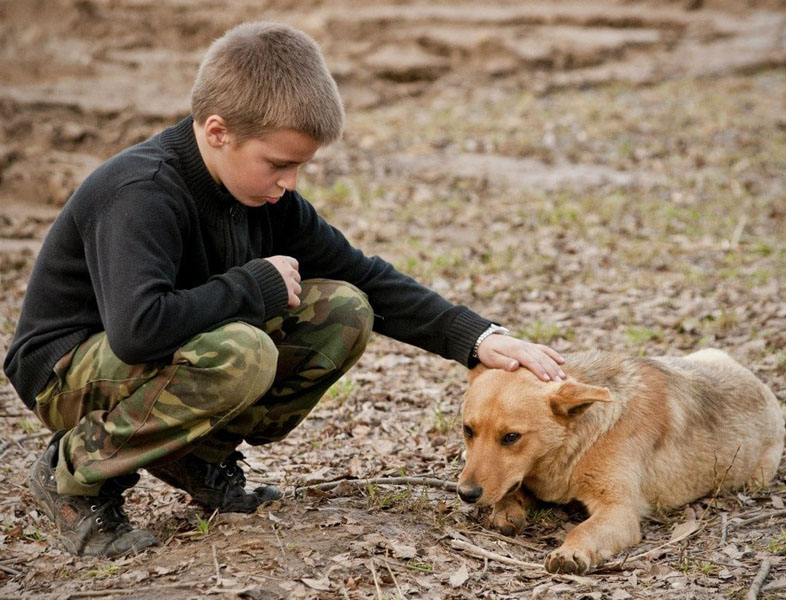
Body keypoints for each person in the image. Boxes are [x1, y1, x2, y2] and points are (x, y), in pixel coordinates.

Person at [3, 21, 566, 558]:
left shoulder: (265, 197)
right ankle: (73, 475)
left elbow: (362, 274)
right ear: (218, 131)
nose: (290, 182)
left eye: (301, 166)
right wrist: (251, 286)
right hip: (68, 370)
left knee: (345, 310)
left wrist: (475, 338)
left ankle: (198, 456)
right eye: (278, 164)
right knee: (241, 353)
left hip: (156, 358)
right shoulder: (141, 192)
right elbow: (136, 329)